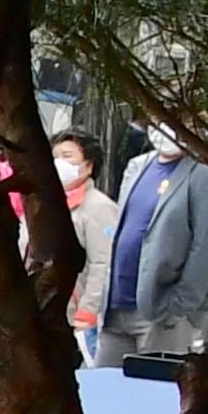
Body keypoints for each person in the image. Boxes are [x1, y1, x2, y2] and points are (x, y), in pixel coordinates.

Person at [100, 129, 208, 366]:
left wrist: (179, 304)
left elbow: (206, 248)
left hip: (160, 312)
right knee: (105, 389)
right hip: (116, 305)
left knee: (154, 395)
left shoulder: (203, 174)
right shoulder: (138, 166)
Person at [54, 129, 121, 356]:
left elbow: (103, 264)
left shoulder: (98, 207)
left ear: (89, 165)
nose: (59, 162)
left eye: (68, 155)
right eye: (55, 156)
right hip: (52, 313)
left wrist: (88, 311)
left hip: (79, 318)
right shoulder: (48, 204)